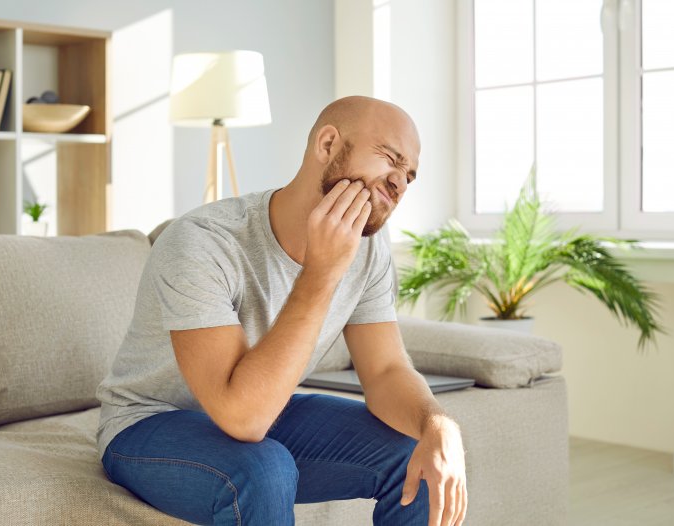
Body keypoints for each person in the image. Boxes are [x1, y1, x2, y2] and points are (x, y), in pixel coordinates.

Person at [96, 96, 467, 526]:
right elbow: (243, 418)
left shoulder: (368, 250)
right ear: (328, 144)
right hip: (147, 423)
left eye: (409, 175)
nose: (400, 181)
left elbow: (385, 371)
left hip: (266, 405)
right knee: (263, 470)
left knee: (417, 451)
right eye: (389, 158)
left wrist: (437, 424)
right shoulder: (202, 241)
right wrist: (322, 272)